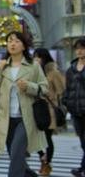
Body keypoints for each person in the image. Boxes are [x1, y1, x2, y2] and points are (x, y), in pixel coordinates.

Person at [0, 31, 48, 177]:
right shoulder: (3, 65)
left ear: (24, 45)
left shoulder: (33, 66)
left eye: (16, 41)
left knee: (16, 154)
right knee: (15, 156)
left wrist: (29, 86)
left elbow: (44, 88)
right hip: (6, 119)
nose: (12, 44)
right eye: (9, 41)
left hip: (25, 119)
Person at [33, 48, 65, 176]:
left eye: (38, 57)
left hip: (49, 109)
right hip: (36, 108)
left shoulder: (53, 72)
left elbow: (61, 90)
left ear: (44, 58)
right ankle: (43, 158)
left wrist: (52, 97)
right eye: (35, 56)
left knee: (47, 138)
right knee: (34, 138)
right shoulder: (34, 71)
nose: (36, 59)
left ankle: (46, 164)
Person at [64, 38, 85, 177]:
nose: (79, 50)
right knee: (83, 142)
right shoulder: (70, 69)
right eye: (77, 48)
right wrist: (66, 102)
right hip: (76, 112)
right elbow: (68, 89)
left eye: (82, 48)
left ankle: (82, 169)